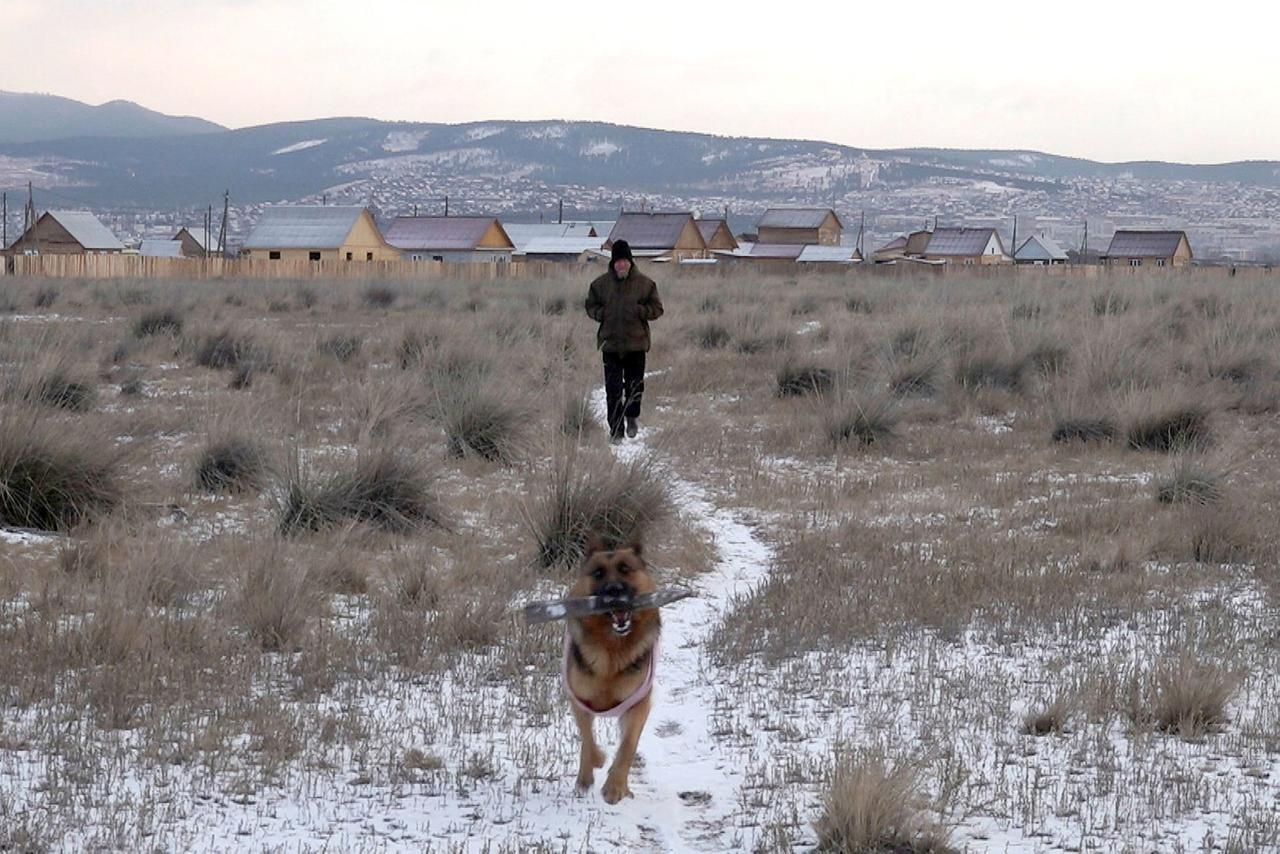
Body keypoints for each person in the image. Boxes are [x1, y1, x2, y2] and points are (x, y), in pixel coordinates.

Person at [584, 240, 664, 442]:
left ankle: (631, 417)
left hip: (636, 344)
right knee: (613, 389)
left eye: (625, 261)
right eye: (618, 262)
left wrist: (640, 311)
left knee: (634, 386)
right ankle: (616, 430)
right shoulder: (600, 285)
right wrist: (601, 314)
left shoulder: (645, 284)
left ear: (630, 262)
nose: (622, 265)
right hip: (610, 345)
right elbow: (590, 306)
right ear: (613, 263)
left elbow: (657, 309)